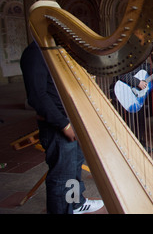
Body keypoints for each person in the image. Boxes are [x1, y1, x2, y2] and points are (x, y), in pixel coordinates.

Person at [20, 41, 104, 214]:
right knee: (61, 178)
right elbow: (37, 96)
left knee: (74, 170)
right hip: (58, 126)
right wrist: (64, 124)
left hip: (75, 122)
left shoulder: (59, 50)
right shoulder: (35, 52)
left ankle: (75, 204)